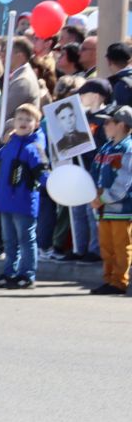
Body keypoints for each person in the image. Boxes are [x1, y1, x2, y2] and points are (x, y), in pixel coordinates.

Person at [0, 103, 45, 290]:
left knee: (26, 240)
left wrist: (53, 185)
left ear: (36, 124)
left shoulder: (34, 148)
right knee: (8, 240)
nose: (24, 122)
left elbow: (43, 172)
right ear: (14, 123)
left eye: (28, 120)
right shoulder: (6, 147)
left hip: (24, 201)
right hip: (4, 200)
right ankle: (9, 272)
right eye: (20, 119)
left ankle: (27, 274)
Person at [90, 106, 132, 295]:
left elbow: (123, 181)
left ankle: (119, 281)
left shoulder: (128, 149)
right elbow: (95, 173)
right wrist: (92, 195)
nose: (104, 126)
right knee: (106, 246)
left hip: (121, 208)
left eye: (108, 122)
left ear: (121, 125)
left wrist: (105, 198)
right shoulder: (106, 147)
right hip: (103, 207)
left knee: (121, 246)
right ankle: (108, 279)